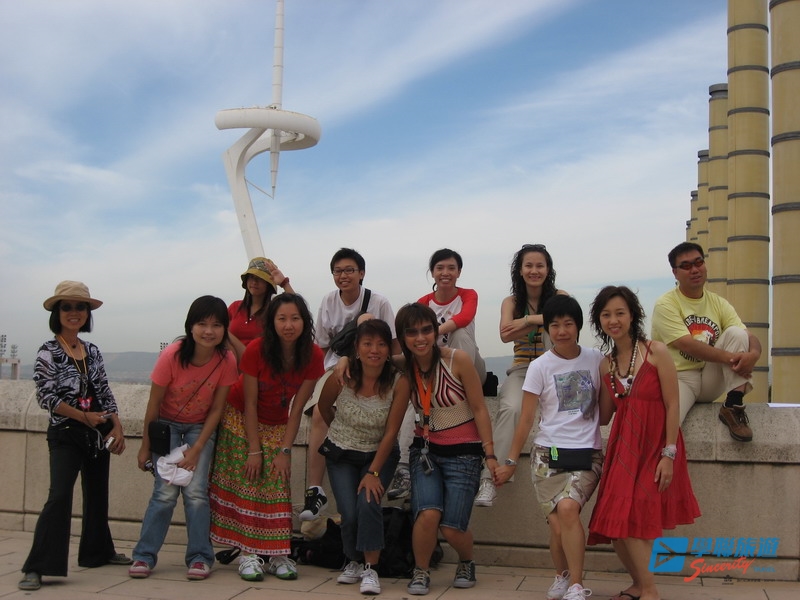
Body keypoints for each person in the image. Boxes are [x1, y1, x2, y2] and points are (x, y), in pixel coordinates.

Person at [587, 286, 700, 600]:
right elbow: (605, 415)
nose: (613, 320)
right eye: (606, 315)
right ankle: (639, 585)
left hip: (656, 446)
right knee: (613, 522)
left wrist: (669, 454)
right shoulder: (606, 365)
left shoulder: (655, 352)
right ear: (599, 321)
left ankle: (650, 591)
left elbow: (673, 404)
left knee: (635, 520)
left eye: (620, 313)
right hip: (624, 448)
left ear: (632, 315)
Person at [19, 281, 131, 591]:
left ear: (87, 313)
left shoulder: (91, 351)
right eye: (67, 307)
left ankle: (98, 552)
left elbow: (104, 390)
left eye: (80, 307)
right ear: (57, 313)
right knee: (59, 497)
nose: (74, 312)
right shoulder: (49, 351)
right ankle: (37, 567)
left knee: (97, 495)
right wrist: (84, 417)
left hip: (96, 435)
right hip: (66, 433)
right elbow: (46, 397)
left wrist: (117, 426)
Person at [494, 295, 604, 600]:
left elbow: (610, 403)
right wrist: (511, 461)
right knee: (557, 526)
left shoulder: (596, 359)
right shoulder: (539, 366)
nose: (561, 331)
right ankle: (561, 575)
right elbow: (527, 418)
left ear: (578, 326)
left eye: (568, 324)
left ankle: (577, 585)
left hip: (587, 452)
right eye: (554, 325)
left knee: (567, 510)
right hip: (547, 455)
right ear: (546, 329)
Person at [209, 293, 325, 582]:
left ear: (304, 321)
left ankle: (277, 554)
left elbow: (298, 408)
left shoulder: (313, 355)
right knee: (250, 482)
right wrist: (254, 450)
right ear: (272, 322)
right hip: (240, 416)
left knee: (277, 484)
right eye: (281, 318)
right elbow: (249, 403)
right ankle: (249, 553)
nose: (288, 325)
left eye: (295, 318)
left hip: (277, 421)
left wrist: (285, 450)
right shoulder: (257, 349)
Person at [129, 296, 238, 581]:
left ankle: (200, 557)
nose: (209, 331)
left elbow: (217, 408)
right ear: (190, 326)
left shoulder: (226, 360)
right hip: (166, 427)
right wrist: (145, 447)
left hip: (199, 427)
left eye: (216, 325)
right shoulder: (172, 355)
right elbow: (154, 404)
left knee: (196, 493)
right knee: (164, 493)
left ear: (225, 329)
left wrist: (198, 447)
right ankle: (144, 556)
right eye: (202, 324)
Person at [395, 303, 497, 596]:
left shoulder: (457, 360)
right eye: (412, 332)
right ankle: (421, 570)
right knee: (427, 514)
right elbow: (371, 356)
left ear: (436, 331)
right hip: (425, 451)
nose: (420, 338)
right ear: (403, 337)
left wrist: (490, 454)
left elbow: (479, 408)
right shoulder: (406, 366)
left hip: (464, 453)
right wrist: (345, 361)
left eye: (426, 330)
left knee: (452, 526)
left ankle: (466, 561)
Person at [301, 248, 400, 521]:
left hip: (372, 368)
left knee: (366, 322)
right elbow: (322, 347)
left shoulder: (378, 302)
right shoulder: (329, 301)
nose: (343, 276)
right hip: (336, 367)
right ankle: (315, 489)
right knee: (319, 413)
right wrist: (312, 384)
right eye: (338, 271)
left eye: (349, 270)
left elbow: (392, 344)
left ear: (361, 273)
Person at [317, 319, 407, 595]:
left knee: (368, 503)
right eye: (367, 344)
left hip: (379, 453)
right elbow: (324, 406)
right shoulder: (341, 375)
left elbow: (391, 432)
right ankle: (352, 560)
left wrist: (373, 472)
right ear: (357, 348)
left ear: (389, 349)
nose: (374, 350)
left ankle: (371, 568)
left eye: (381, 344)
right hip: (341, 452)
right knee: (349, 511)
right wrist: (343, 434)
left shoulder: (399, 382)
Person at [475, 244, 566, 507]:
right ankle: (490, 479)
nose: (534, 271)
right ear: (520, 270)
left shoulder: (560, 296)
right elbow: (505, 334)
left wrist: (526, 321)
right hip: (523, 370)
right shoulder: (512, 302)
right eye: (529, 265)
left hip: (555, 369)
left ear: (548, 269)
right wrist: (544, 320)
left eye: (540, 265)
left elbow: (563, 326)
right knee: (511, 408)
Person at [651, 242, 761, 440]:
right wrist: (734, 359)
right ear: (675, 273)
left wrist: (753, 355)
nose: (694, 270)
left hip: (710, 377)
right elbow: (687, 345)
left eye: (698, 262)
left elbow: (748, 335)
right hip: (679, 378)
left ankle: (733, 405)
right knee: (667, 432)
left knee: (737, 333)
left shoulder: (718, 302)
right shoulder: (666, 304)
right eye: (686, 266)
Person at [227, 257, 294, 363]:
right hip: (232, 365)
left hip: (262, 365)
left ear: (268, 283)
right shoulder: (235, 307)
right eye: (251, 277)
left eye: (260, 278)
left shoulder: (274, 310)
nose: (254, 282)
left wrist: (284, 283)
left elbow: (297, 309)